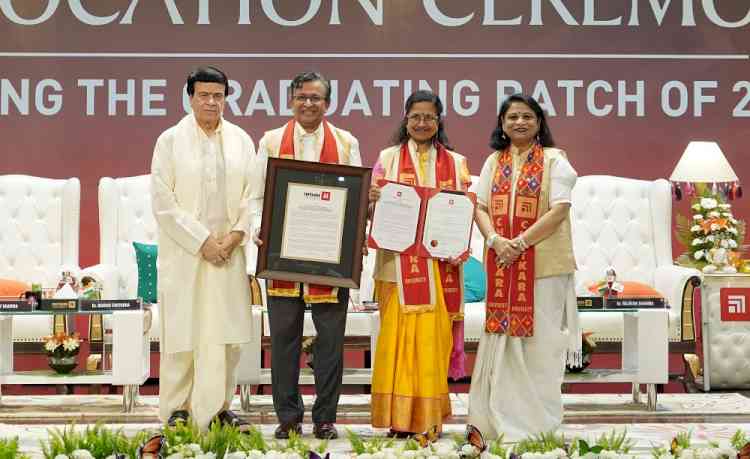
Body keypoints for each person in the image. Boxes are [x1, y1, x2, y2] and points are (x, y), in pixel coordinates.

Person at [249, 71, 361, 440]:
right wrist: (257, 227)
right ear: (291, 100)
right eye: (302, 97)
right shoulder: (269, 141)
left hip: (330, 260)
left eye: (316, 98)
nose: (308, 104)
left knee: (330, 341)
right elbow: (256, 195)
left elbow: (356, 200)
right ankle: (288, 416)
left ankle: (325, 417)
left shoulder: (346, 143)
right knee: (283, 339)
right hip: (282, 257)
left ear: (327, 103)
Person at [468, 93, 580, 440]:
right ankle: (496, 421)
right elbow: (480, 206)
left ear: (539, 123)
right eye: (512, 117)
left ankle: (536, 424)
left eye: (527, 116)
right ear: (501, 124)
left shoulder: (554, 161)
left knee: (539, 346)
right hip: (502, 263)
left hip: (544, 267)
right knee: (502, 343)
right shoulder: (493, 162)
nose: (519, 122)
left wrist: (520, 243)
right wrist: (496, 241)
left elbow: (559, 210)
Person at [151, 66, 254, 432]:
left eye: (218, 95)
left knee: (226, 335)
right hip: (187, 255)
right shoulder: (169, 141)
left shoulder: (242, 140)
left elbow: (252, 197)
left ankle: (220, 408)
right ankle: (178, 409)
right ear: (190, 97)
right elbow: (164, 203)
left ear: (226, 98)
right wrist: (202, 241)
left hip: (229, 252)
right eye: (204, 95)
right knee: (184, 331)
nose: (211, 102)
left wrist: (236, 236)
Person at [368, 90, 471, 437]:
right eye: (416, 116)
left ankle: (428, 419)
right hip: (396, 267)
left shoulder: (457, 163)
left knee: (431, 344)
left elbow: (464, 213)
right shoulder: (387, 158)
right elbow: (371, 214)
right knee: (395, 341)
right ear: (405, 119)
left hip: (439, 268)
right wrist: (372, 202)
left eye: (429, 117)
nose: (422, 123)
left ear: (439, 121)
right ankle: (399, 420)